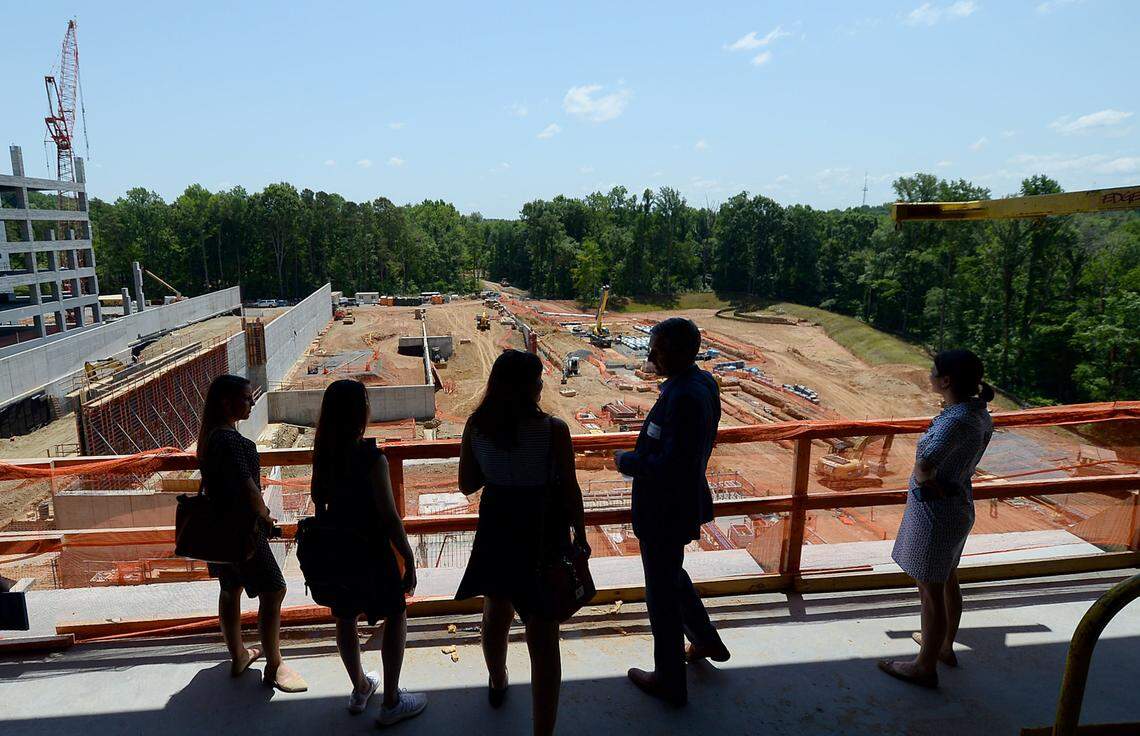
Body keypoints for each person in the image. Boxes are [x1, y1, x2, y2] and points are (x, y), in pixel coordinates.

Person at [456, 350, 588, 736]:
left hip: (498, 524)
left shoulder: (476, 426)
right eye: (539, 379)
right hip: (543, 528)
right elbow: (570, 490)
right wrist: (580, 535)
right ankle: (542, 730)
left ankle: (498, 682)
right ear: (531, 386)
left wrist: (497, 465)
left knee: (496, 609)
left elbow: (467, 484)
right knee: (543, 630)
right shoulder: (554, 429)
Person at [616, 317, 729, 707]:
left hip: (664, 510)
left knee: (660, 595)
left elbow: (673, 464)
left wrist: (628, 462)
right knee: (672, 578)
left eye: (658, 348)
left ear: (683, 351)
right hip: (676, 505)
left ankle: (669, 680)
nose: (650, 355)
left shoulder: (684, 396)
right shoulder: (698, 385)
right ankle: (706, 640)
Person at [308, 379, 427, 724]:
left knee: (345, 617)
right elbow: (390, 517)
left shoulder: (323, 454)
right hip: (371, 550)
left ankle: (360, 687)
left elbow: (319, 502)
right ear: (361, 413)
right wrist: (408, 558)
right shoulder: (372, 458)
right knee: (395, 614)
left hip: (337, 548)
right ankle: (391, 702)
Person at [879, 349, 995, 689]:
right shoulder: (978, 413)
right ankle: (943, 647)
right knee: (947, 580)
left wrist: (926, 484)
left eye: (933, 371)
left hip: (936, 513)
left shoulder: (955, 419)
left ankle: (924, 666)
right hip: (959, 505)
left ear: (945, 381)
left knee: (930, 591)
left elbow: (926, 464)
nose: (928, 375)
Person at [197, 374, 306, 692]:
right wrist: (265, 517)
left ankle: (239, 655)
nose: (253, 402)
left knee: (230, 589)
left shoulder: (210, 438)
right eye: (247, 398)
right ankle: (274, 665)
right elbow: (248, 488)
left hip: (216, 531)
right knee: (274, 590)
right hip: (242, 531)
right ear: (226, 402)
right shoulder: (233, 441)